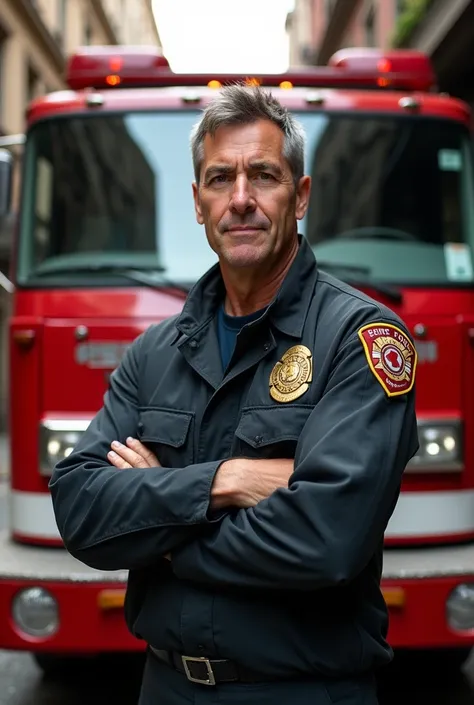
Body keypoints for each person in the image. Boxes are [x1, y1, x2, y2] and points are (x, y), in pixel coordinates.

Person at [49, 84, 419, 705]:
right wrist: (228, 480)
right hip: (165, 686)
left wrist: (162, 536)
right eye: (220, 179)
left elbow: (327, 539)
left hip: (303, 691)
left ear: (300, 196)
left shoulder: (361, 338)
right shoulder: (154, 352)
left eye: (264, 176)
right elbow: (80, 508)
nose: (241, 199)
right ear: (198, 203)